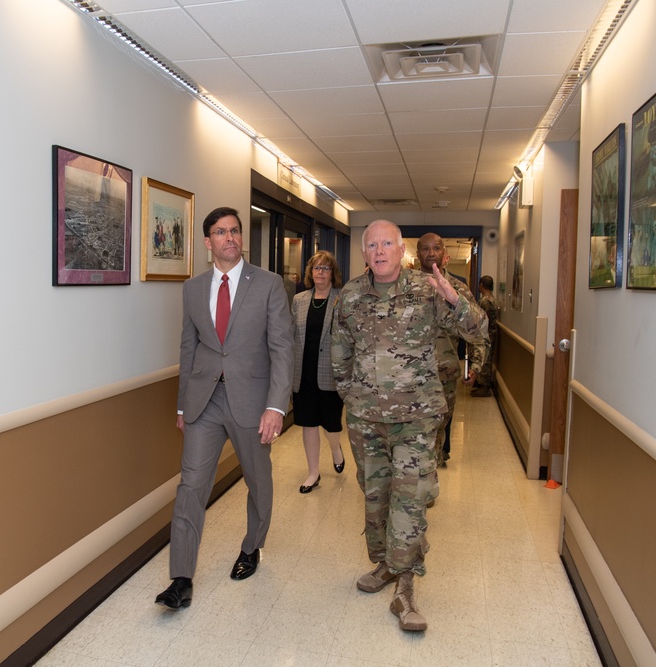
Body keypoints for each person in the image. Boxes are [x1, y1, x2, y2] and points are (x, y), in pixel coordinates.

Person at [332, 220, 488, 632]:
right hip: (367, 420)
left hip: (416, 420)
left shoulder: (429, 288)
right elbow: (339, 352)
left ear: (402, 250)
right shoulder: (349, 295)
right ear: (364, 253)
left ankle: (405, 590)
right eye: (372, 245)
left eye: (387, 243)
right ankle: (385, 565)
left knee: (410, 501)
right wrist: (353, 396)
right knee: (376, 497)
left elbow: (478, 330)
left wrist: (456, 300)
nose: (380, 251)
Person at [155, 207, 293, 610]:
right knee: (191, 487)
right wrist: (182, 405)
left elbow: (283, 349)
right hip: (204, 402)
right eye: (221, 232)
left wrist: (276, 407)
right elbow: (189, 347)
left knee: (258, 480)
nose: (230, 237)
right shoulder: (193, 288)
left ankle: (252, 546)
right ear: (207, 242)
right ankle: (180, 578)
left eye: (234, 230)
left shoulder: (268, 284)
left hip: (252, 402)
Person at [416, 234, 487, 468]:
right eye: (425, 249)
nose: (431, 253)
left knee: (438, 429)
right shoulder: (406, 285)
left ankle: (431, 476)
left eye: (436, 248)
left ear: (444, 253)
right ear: (418, 255)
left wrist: (475, 365)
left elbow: (478, 329)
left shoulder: (457, 288)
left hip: (444, 373)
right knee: (414, 433)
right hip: (410, 375)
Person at [290, 251, 346, 494]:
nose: (321, 272)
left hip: (330, 372)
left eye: (326, 268)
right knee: (308, 423)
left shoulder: (342, 298)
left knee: (331, 424)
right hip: (303, 373)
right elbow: (293, 336)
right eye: (316, 268)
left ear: (333, 273)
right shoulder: (299, 299)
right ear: (310, 273)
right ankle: (313, 473)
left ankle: (336, 449)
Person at [471, 275, 499, 397]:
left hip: (485, 334)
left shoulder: (484, 301)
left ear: (481, 285)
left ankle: (484, 387)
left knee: (485, 360)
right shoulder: (492, 298)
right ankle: (482, 384)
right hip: (490, 333)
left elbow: (480, 319)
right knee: (486, 358)